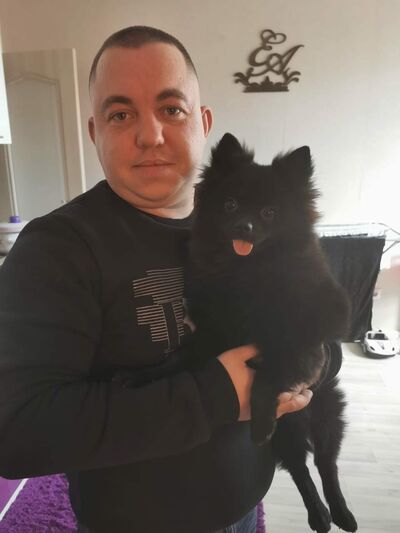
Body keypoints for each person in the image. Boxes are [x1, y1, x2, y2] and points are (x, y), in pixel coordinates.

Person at [0, 26, 313, 533]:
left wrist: (316, 362)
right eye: (120, 114)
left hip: (245, 506)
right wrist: (213, 395)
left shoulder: (253, 227)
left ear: (203, 123)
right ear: (95, 132)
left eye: (171, 109)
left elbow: (317, 317)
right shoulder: (55, 249)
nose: (150, 135)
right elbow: (16, 431)